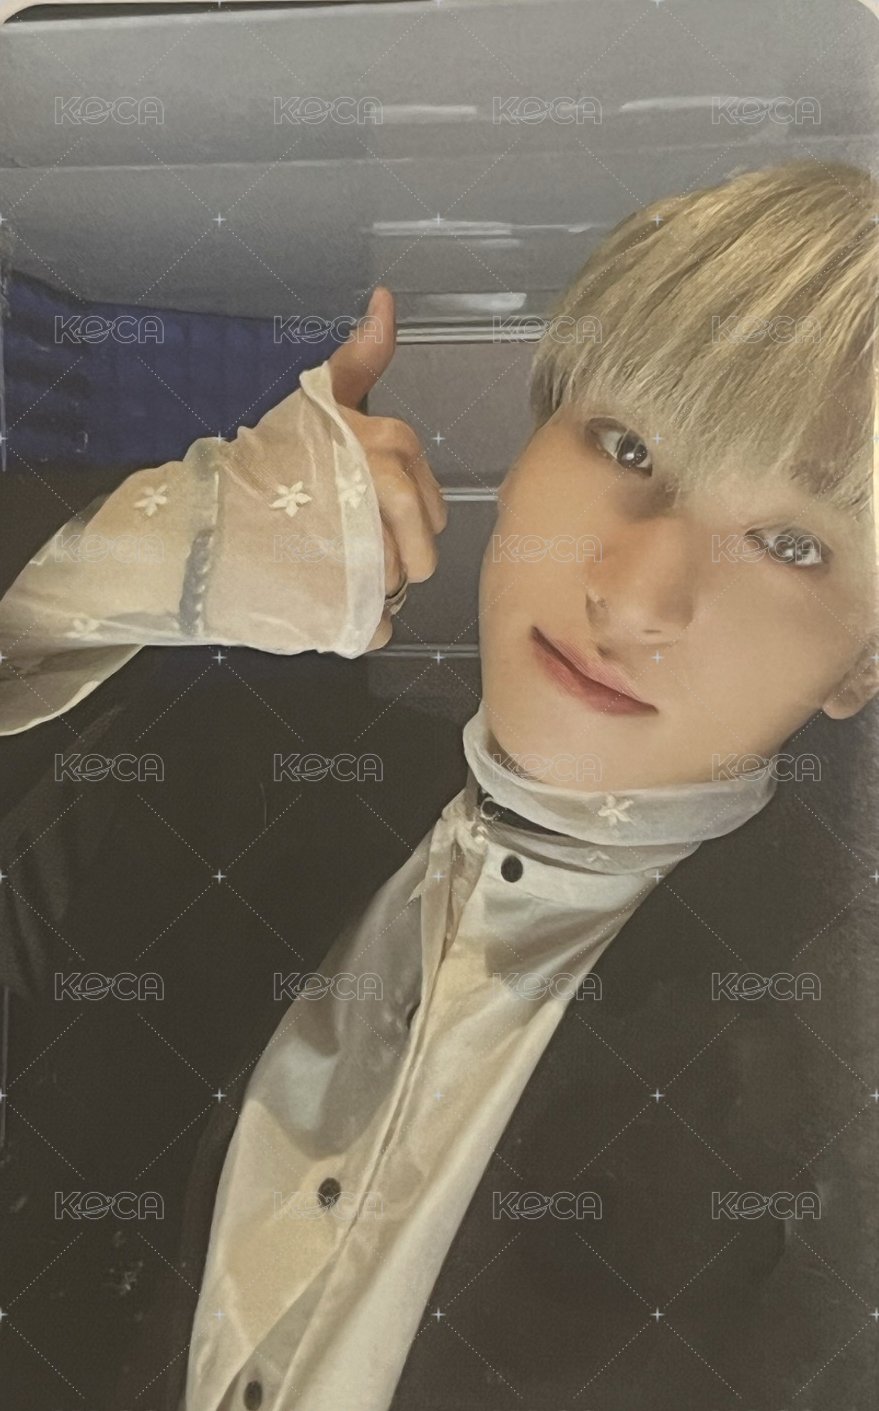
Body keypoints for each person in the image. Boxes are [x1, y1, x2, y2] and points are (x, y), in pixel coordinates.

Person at [0, 159, 876, 1411]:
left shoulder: (831, 1057)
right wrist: (124, 560)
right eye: (626, 443)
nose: (633, 594)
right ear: (526, 450)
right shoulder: (220, 786)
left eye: (792, 545)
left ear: (863, 663)